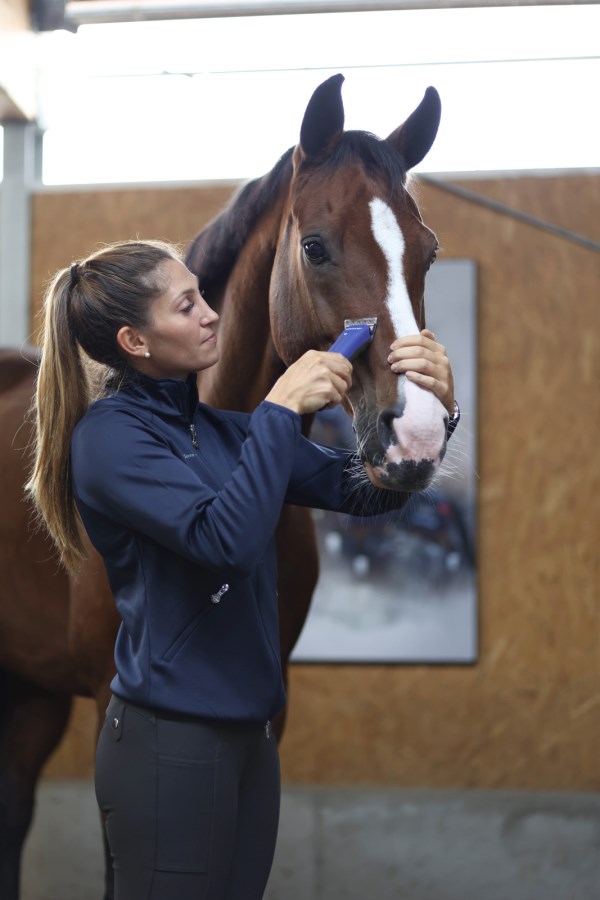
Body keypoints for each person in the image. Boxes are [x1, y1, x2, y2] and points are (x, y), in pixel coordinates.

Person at [26, 239, 458, 900]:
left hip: (251, 737)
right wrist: (280, 412)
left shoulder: (227, 432)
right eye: (186, 305)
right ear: (134, 342)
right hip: (169, 740)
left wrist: (434, 409)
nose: (211, 314)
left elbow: (364, 491)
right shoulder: (110, 441)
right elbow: (221, 540)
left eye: (202, 294)